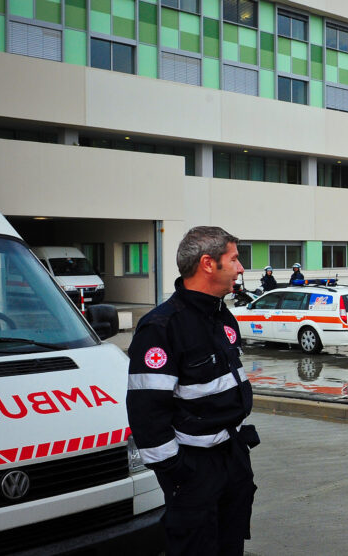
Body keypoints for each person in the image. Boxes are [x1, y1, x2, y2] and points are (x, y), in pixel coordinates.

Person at [126, 226, 260, 556]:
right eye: (234, 259)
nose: (241, 268)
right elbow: (147, 416)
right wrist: (179, 472)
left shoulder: (222, 316)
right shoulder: (161, 328)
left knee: (230, 544)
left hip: (232, 457)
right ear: (207, 264)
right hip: (194, 469)